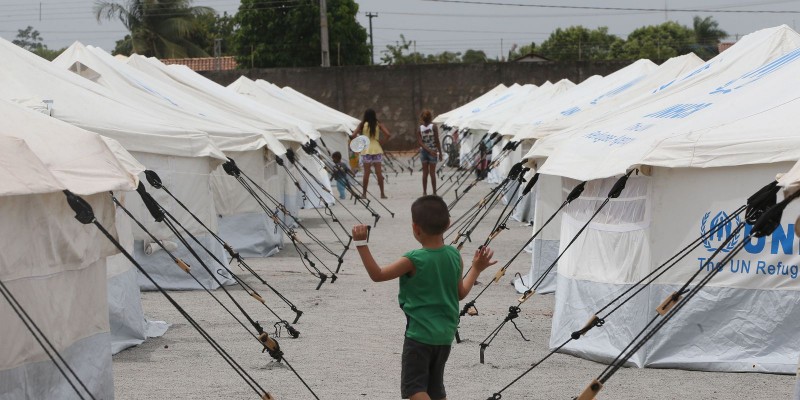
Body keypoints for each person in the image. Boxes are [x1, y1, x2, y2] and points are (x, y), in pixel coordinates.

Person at [351, 195, 496, 400]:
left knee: (415, 389)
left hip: (419, 336)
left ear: (415, 228)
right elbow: (460, 294)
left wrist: (361, 244)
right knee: (435, 389)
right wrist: (476, 269)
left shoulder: (413, 259)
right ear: (448, 224)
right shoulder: (454, 255)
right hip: (445, 336)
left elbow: (378, 275)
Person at [351, 108, 391, 199]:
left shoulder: (362, 124)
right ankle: (382, 194)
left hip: (366, 150)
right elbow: (388, 134)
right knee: (379, 173)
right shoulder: (379, 124)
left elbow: (353, 135)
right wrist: (381, 142)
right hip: (377, 149)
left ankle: (364, 194)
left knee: (366, 173)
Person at [416, 109, 442, 196]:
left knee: (425, 173)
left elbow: (420, 142)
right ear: (431, 117)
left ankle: (424, 192)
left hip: (423, 152)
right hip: (433, 151)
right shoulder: (434, 127)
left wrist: (427, 149)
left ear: (422, 118)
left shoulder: (420, 128)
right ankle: (434, 192)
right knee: (432, 173)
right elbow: (437, 140)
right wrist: (440, 153)